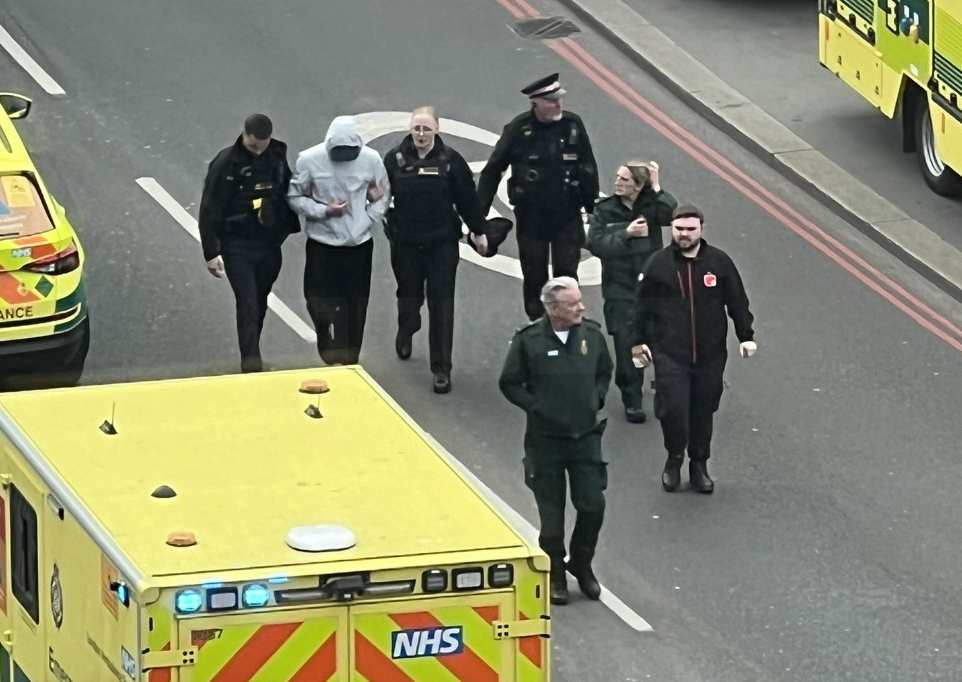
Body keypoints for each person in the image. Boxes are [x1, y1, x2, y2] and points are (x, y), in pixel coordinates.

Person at [499, 277, 613, 605]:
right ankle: (556, 572)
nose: (582, 307)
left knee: (592, 505)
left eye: (580, 301)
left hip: (585, 439)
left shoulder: (591, 335)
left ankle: (582, 562)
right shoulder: (529, 340)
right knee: (552, 518)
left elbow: (605, 371)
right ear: (553, 309)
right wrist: (538, 408)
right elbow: (510, 383)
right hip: (545, 442)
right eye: (573, 303)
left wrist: (596, 399)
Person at [631, 204, 757, 494]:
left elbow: (737, 301)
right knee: (673, 410)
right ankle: (674, 459)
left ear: (702, 229)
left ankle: (698, 465)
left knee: (703, 410)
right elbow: (641, 307)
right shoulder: (658, 264)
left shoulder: (719, 263)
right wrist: (637, 343)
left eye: (690, 229)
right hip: (669, 353)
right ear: (672, 230)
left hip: (710, 356)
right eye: (679, 229)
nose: (684, 234)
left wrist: (745, 335)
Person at [383, 106, 491, 394]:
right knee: (409, 297)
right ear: (410, 129)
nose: (420, 134)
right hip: (406, 243)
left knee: (441, 306)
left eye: (426, 129)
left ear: (436, 130)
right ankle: (407, 329)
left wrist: (479, 231)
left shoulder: (451, 162)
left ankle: (441, 369)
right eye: (416, 128)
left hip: (441, 243)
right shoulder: (393, 159)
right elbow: (380, 195)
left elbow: (468, 200)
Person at [477, 73, 600, 321]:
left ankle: (568, 326)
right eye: (552, 101)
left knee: (567, 275)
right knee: (534, 276)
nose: (558, 105)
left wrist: (593, 208)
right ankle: (537, 328)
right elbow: (492, 171)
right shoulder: (518, 130)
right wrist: (478, 218)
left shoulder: (572, 125)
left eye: (559, 99)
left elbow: (588, 166)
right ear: (536, 102)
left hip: (567, 215)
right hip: (532, 218)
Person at [199, 113, 301, 373]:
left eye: (261, 145)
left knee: (260, 300)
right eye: (252, 144)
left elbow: (289, 189)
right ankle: (251, 363)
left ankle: (252, 346)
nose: (256, 150)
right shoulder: (226, 163)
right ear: (244, 135)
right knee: (247, 302)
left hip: (269, 244)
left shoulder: (276, 157)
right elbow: (209, 208)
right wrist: (211, 252)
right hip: (237, 246)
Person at [287, 116, 390, 366]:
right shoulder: (309, 160)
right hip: (323, 243)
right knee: (315, 299)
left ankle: (350, 361)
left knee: (355, 306)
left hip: (358, 245)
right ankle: (324, 333)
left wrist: (367, 218)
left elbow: (383, 194)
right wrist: (324, 210)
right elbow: (294, 196)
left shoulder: (372, 159)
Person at [586, 160, 677, 424]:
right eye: (618, 177)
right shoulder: (604, 209)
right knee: (628, 346)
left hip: (652, 288)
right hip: (620, 289)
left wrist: (658, 187)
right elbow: (597, 244)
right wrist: (626, 233)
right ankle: (632, 400)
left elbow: (672, 214)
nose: (617, 183)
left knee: (662, 343)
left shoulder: (652, 206)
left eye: (625, 180)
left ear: (639, 186)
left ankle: (666, 392)